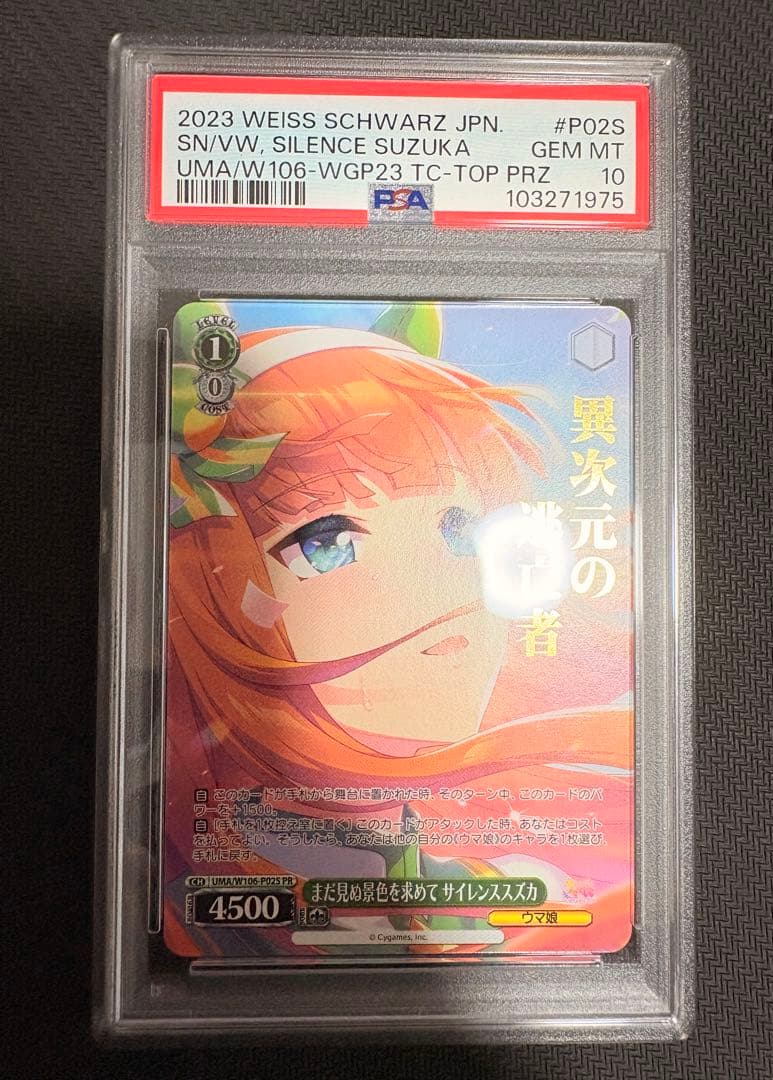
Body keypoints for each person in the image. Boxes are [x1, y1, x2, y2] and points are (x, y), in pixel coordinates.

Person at [164, 307, 633, 957]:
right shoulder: (194, 908)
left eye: (459, 529)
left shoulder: (488, 883)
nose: (445, 592)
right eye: (326, 543)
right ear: (206, 592)